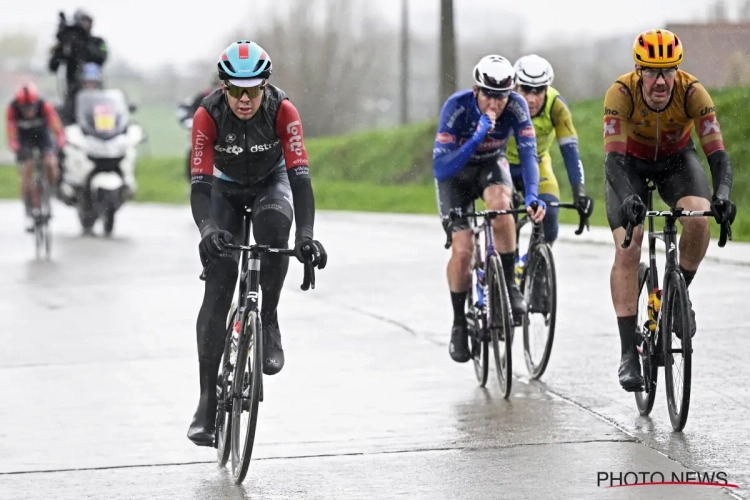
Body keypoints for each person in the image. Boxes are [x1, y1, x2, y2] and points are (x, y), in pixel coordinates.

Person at [187, 40, 328, 447]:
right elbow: (199, 184)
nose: (244, 99)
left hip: (272, 183)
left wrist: (306, 236)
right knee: (219, 285)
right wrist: (207, 229)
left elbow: (301, 178)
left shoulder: (283, 110)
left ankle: (269, 317)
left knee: (273, 231)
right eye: (235, 90)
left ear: (265, 85)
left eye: (253, 89)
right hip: (225, 192)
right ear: (223, 87)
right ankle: (206, 400)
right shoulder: (207, 114)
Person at [603, 29, 736, 391]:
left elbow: (719, 155)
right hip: (629, 164)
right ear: (637, 69)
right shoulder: (621, 93)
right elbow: (613, 160)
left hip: (676, 160)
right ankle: (628, 352)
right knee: (629, 247)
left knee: (699, 215)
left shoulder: (693, 92)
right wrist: (630, 197)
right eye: (651, 71)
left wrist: (722, 194)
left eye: (668, 71)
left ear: (678, 69)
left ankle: (679, 294)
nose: (660, 81)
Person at [433, 54, 546, 364]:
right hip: (455, 176)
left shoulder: (516, 107)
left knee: (501, 206)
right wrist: (478, 135)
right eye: (489, 95)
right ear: (476, 91)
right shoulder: (456, 108)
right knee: (464, 249)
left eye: (502, 96)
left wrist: (534, 195)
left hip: (491, 167)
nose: (496, 103)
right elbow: (442, 169)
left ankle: (508, 285)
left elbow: (528, 155)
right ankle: (459, 322)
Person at [506, 54, 593, 245]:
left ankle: (536, 263)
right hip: (504, 166)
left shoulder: (557, 106)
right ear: (515, 87)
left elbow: (570, 153)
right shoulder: (505, 102)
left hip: (538, 164)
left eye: (538, 91)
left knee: (550, 215)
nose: (531, 98)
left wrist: (579, 193)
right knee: (505, 223)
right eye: (526, 90)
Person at [5, 83, 66, 232]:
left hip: (42, 136)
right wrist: (15, 146)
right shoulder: (12, 109)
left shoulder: (44, 105)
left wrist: (60, 140)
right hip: (24, 139)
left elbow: (56, 127)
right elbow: (11, 131)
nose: (28, 111)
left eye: (30, 106)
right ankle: (28, 206)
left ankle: (51, 189)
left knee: (51, 162)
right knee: (27, 168)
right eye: (24, 107)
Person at [48, 9, 108, 124]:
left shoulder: (98, 42)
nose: (86, 25)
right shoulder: (68, 45)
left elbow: (102, 57)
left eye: (88, 22)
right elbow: (52, 66)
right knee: (68, 123)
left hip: (97, 93)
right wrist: (63, 47)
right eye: (83, 22)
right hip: (73, 94)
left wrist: (82, 45)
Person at [177, 76, 223, 181]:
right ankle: (194, 182)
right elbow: (185, 110)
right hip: (203, 137)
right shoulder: (203, 97)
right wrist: (191, 123)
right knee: (194, 155)